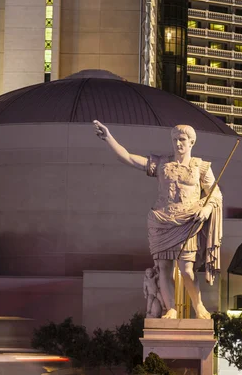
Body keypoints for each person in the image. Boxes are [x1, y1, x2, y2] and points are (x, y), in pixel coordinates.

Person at [94, 120, 223, 319]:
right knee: (164, 267)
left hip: (187, 221)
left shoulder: (201, 167)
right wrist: (109, 138)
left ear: (191, 142)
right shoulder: (162, 163)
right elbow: (128, 158)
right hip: (161, 220)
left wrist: (206, 208)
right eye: (174, 140)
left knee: (187, 270)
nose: (178, 143)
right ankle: (170, 308)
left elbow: (215, 194)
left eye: (182, 140)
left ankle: (199, 307)